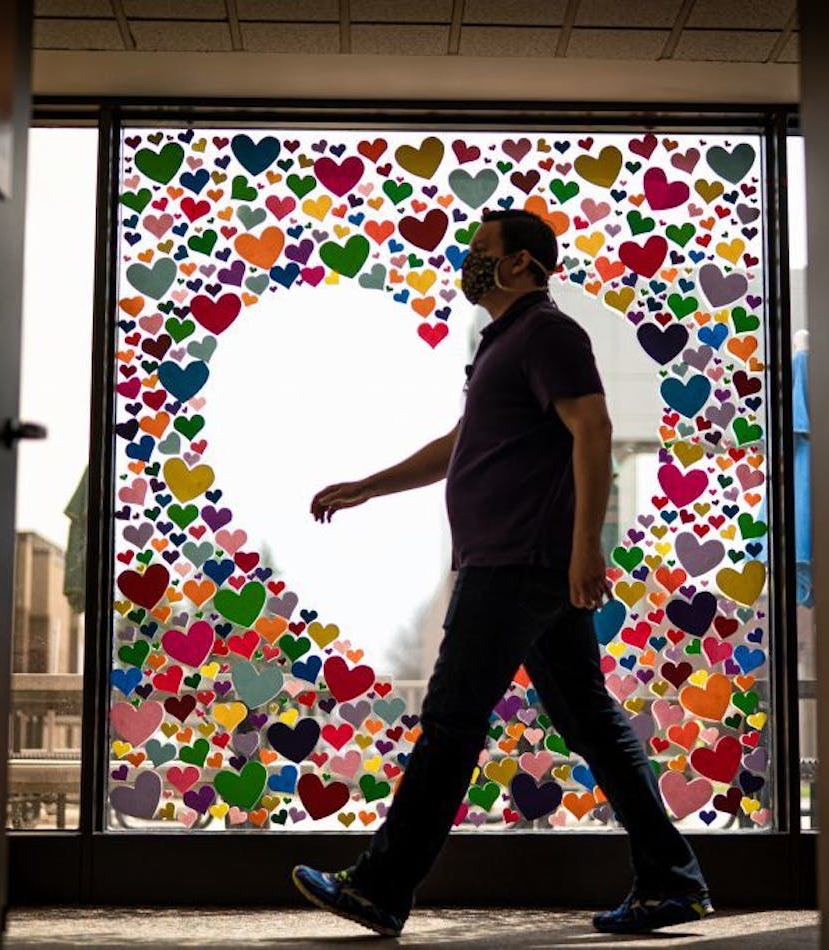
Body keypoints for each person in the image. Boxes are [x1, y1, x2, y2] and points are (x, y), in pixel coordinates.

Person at [291, 208, 714, 936]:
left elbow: (595, 428)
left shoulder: (548, 332)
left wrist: (587, 548)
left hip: (518, 562)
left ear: (521, 263)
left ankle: (381, 888)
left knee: (452, 722)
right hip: (519, 563)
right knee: (593, 724)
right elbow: (460, 444)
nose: (469, 259)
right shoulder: (505, 345)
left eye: (482, 249)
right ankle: (673, 882)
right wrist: (368, 485)